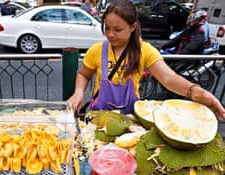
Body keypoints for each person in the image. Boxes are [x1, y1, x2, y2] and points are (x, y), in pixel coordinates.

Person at [67, 0, 225, 121]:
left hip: (129, 119)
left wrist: (200, 93)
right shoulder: (97, 50)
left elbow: (169, 79)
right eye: (107, 28)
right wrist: (78, 93)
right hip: (97, 116)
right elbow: (84, 74)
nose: (110, 34)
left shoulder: (145, 51)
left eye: (118, 29)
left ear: (132, 27)